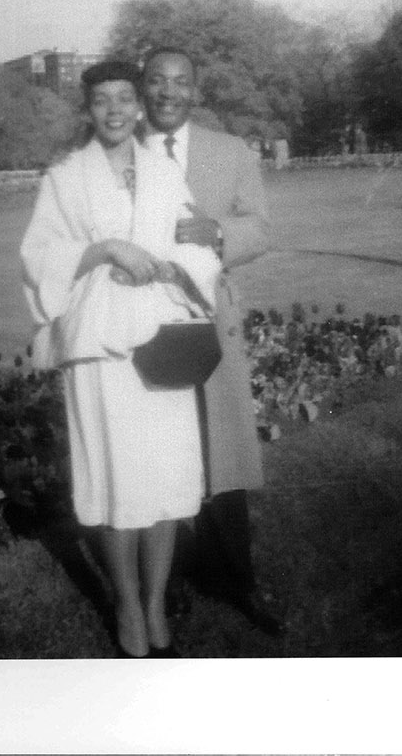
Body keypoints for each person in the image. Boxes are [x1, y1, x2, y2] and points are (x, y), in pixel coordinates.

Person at [21, 60, 221, 658]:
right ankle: (127, 607)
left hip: (162, 339)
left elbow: (200, 243)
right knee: (115, 476)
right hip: (99, 347)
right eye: (101, 99)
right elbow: (38, 257)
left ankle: (157, 602)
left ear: (138, 108)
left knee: (164, 479)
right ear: (88, 110)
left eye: (125, 98)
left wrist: (170, 266)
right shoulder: (63, 179)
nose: (114, 109)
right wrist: (106, 247)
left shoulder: (165, 172)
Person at [140, 47, 282, 637]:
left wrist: (218, 230)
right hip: (144, 325)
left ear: (196, 91)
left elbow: (262, 227)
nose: (168, 92)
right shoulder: (119, 150)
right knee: (160, 454)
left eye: (181, 81)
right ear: (143, 88)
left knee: (222, 455)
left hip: (211, 323)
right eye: (157, 81)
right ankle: (166, 581)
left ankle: (239, 578)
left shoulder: (229, 151)